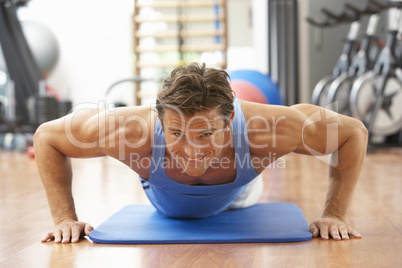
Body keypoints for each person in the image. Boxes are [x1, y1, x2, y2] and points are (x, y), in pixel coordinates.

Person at [35, 62, 368, 244]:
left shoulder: (270, 129)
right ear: (160, 120)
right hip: (162, 192)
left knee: (245, 187)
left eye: (205, 133)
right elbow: (47, 136)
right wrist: (65, 218)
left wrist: (334, 214)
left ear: (231, 118)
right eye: (176, 133)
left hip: (241, 191)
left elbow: (353, 133)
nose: (191, 149)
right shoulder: (130, 131)